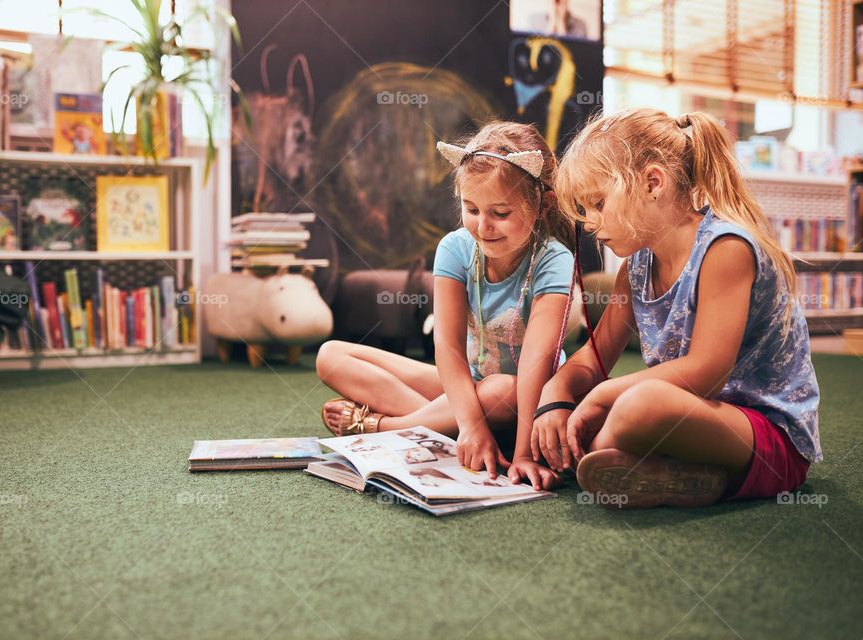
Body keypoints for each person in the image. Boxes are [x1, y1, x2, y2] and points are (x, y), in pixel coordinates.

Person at [536, 107, 822, 508]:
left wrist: (600, 399)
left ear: (654, 182)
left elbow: (704, 372)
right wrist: (555, 396)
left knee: (637, 405)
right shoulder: (635, 265)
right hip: (693, 421)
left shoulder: (725, 249)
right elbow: (594, 357)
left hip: (769, 439)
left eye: (598, 203)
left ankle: (615, 454)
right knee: (578, 413)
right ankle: (681, 476)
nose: (589, 222)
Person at [317, 121, 575, 490]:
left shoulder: (554, 259)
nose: (483, 226)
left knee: (501, 390)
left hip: (525, 396)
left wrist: (522, 455)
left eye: (501, 213)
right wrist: (470, 422)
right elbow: (449, 347)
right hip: (469, 386)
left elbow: (538, 360)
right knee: (330, 355)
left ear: (542, 207)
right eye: (471, 209)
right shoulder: (454, 248)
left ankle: (386, 427)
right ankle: (457, 428)